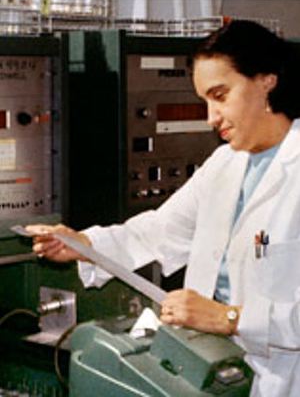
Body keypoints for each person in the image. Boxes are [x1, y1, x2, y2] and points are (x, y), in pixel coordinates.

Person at [27, 20, 300, 397]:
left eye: (221, 95)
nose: (210, 117)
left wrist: (230, 318)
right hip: (212, 369)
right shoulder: (225, 164)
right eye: (205, 101)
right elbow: (159, 230)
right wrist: (83, 244)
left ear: (266, 80)